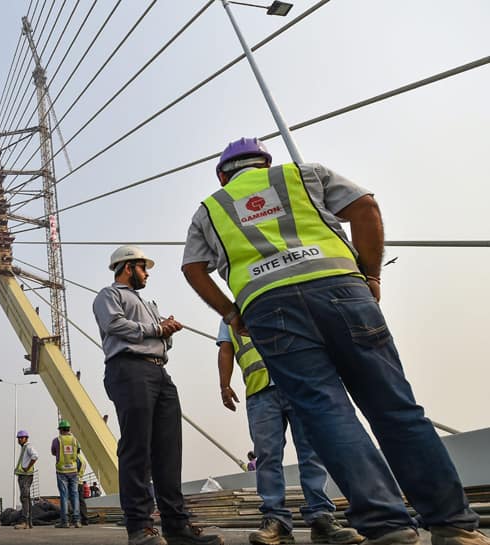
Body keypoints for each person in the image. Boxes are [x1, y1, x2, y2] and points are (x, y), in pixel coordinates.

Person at [182, 137, 489, 545]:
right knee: (394, 406)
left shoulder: (211, 208)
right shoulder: (305, 174)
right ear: (265, 162)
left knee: (327, 414)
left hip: (269, 311)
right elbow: (365, 208)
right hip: (342, 291)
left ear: (223, 175)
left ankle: (388, 528)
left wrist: (231, 312)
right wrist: (371, 275)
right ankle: (452, 525)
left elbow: (193, 268)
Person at [93, 246, 223, 545]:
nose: (147, 272)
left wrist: (168, 331)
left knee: (168, 451)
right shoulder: (109, 295)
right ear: (127, 267)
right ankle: (139, 527)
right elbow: (115, 325)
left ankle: (177, 527)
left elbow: (158, 336)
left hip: (159, 372)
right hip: (129, 369)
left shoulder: (147, 303)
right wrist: (158, 328)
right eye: (143, 267)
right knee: (137, 447)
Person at [217, 319, 363, 545]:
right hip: (260, 392)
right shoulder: (229, 316)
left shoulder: (278, 295)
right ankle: (275, 521)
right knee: (267, 456)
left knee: (312, 452)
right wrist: (224, 385)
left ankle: (321, 518)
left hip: (299, 384)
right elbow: (226, 349)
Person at [51, 419, 81, 529]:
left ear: (60, 430)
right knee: (75, 495)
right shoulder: (75, 440)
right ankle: (77, 521)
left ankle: (65, 522)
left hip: (61, 471)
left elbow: (53, 452)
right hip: (73, 471)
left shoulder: (57, 440)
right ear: (69, 429)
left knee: (64, 496)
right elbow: (77, 451)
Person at [13, 429, 38, 530]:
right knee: (26, 498)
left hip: (26, 476)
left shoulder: (28, 447)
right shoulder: (24, 448)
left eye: (21, 438)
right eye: (18, 438)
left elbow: (35, 456)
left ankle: (25, 522)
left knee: (24, 498)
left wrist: (27, 467)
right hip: (23, 475)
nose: (19, 440)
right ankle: (29, 522)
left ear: (26, 438)